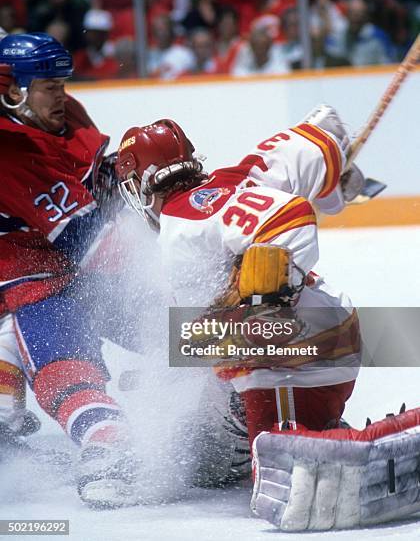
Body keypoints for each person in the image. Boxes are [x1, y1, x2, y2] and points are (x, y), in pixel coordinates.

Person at [115, 109, 420, 529]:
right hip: (328, 330)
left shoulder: (181, 224)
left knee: (285, 480)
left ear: (141, 186)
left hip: (291, 356)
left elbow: (288, 216)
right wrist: (336, 180)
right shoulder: (235, 178)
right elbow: (316, 136)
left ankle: (318, 438)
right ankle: (319, 427)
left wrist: (266, 296)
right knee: (210, 440)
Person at [0, 32, 140, 509]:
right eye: (49, 86)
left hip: (71, 274)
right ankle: (107, 442)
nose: (62, 95)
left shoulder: (63, 113)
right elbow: (89, 239)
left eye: (62, 83)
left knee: (184, 335)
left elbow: (102, 185)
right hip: (35, 282)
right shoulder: (8, 153)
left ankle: (258, 402)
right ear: (11, 91)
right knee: (62, 367)